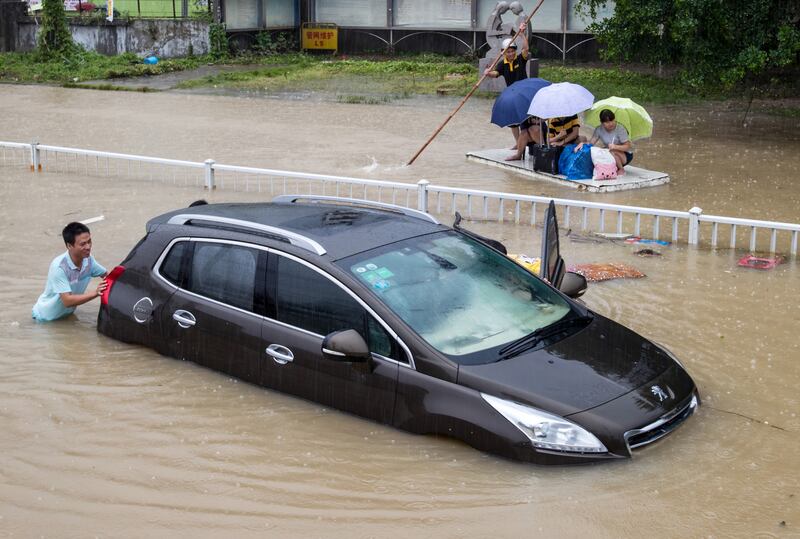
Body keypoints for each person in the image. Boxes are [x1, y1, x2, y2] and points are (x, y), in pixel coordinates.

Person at [32, 222, 107, 322]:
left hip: (66, 315)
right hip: (45, 320)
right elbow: (67, 301)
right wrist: (95, 293)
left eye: (89, 241)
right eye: (83, 244)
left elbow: (107, 276)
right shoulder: (59, 267)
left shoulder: (89, 260)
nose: (88, 247)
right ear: (69, 245)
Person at [484, 22, 529, 89]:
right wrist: (488, 73)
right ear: (503, 52)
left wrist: (522, 35)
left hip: (524, 88)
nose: (511, 54)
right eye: (508, 52)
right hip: (511, 90)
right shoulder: (502, 64)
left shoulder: (520, 58)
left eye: (513, 51)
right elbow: (496, 73)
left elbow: (526, 48)